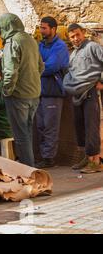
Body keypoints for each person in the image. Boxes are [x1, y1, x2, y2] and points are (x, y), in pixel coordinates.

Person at [0, 13, 44, 167]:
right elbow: (41, 67)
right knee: (28, 133)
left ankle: (27, 171)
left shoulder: (12, 42)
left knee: (21, 135)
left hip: (18, 96)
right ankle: (30, 167)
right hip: (34, 94)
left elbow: (10, 72)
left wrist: (6, 91)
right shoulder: (31, 40)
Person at [63, 24, 103, 174]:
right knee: (81, 127)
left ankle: (96, 162)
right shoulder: (73, 54)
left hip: (91, 93)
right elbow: (71, 72)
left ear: (83, 33)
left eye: (78, 35)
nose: (75, 39)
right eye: (72, 37)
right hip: (76, 95)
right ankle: (87, 158)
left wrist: (102, 82)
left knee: (92, 127)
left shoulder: (93, 47)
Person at [35, 17, 69, 169]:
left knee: (50, 127)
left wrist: (38, 67)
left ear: (53, 29)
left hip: (53, 92)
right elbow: (34, 63)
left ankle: (49, 159)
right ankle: (43, 156)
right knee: (40, 126)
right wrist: (40, 66)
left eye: (44, 28)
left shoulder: (60, 46)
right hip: (39, 92)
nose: (41, 31)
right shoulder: (40, 45)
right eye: (41, 28)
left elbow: (51, 66)